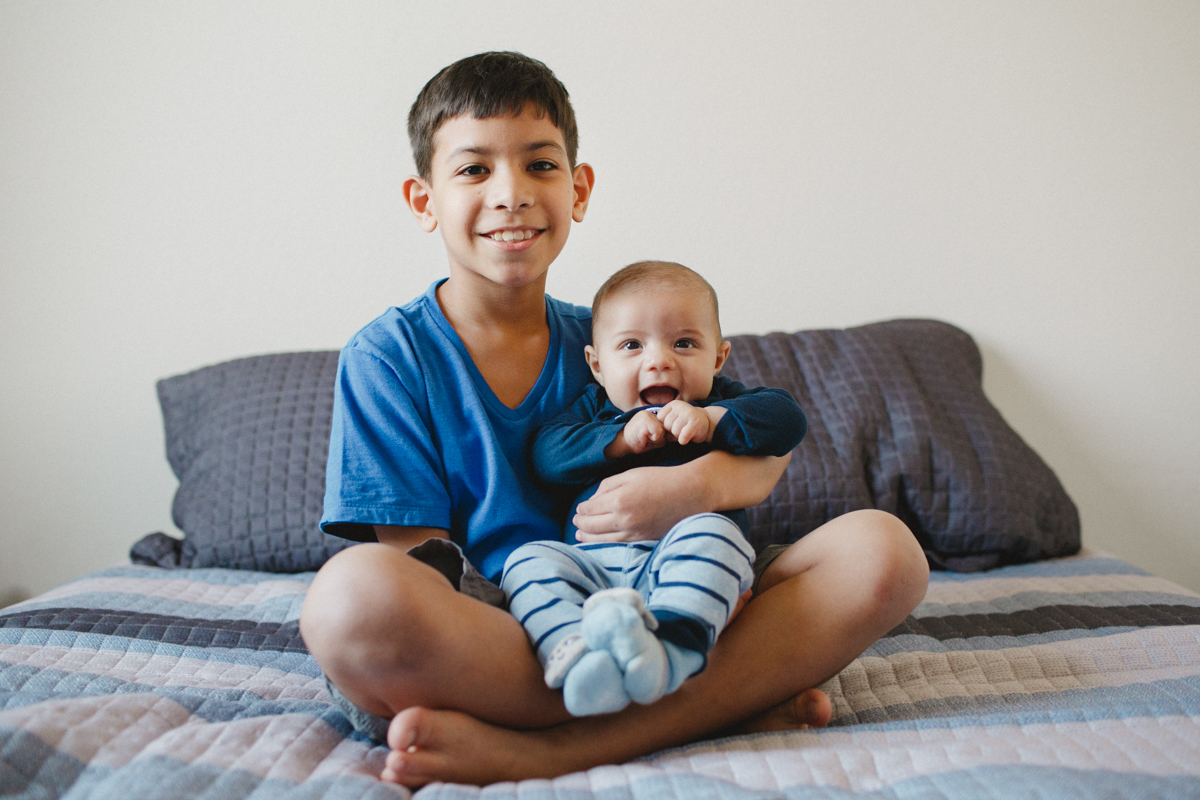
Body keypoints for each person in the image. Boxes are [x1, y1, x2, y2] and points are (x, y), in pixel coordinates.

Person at [298, 50, 929, 788]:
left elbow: (764, 449)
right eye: (474, 170)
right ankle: (714, 703)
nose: (511, 194)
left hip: (663, 588)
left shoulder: (621, 339)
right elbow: (418, 563)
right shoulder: (388, 356)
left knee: (886, 552)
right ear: (423, 199)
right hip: (505, 622)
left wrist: (686, 493)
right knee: (350, 600)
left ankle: (554, 748)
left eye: (540, 165)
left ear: (579, 187)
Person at [503, 261, 807, 718]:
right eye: (631, 346)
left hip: (684, 563)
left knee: (718, 538)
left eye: (684, 343)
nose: (659, 360)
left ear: (718, 358)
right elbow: (546, 455)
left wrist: (713, 421)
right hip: (592, 568)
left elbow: (787, 420)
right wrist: (620, 439)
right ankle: (575, 647)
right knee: (525, 563)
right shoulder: (594, 410)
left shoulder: (720, 400)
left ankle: (671, 648)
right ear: (597, 365)